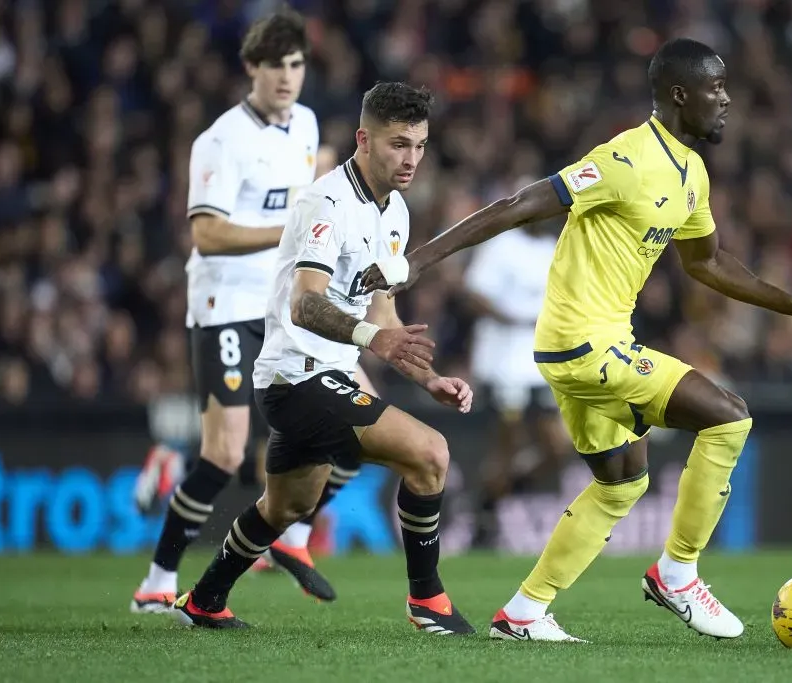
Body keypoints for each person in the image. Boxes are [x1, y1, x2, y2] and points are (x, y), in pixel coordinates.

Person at [361, 38, 792, 642]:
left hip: (581, 349)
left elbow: (708, 264)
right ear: (680, 93)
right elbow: (519, 205)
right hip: (585, 345)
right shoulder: (626, 157)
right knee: (729, 419)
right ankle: (677, 573)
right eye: (715, 88)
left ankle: (522, 614)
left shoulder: (691, 172)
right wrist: (415, 263)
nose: (726, 99)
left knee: (624, 481)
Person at [172, 81, 476, 636]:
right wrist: (371, 340)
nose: (411, 158)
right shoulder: (325, 202)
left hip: (325, 375)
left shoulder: (396, 213)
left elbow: (383, 317)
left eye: (420, 145)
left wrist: (429, 377)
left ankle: (206, 599)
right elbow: (305, 302)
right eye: (398, 144)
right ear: (364, 138)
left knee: (284, 507)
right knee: (430, 454)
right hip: (296, 376)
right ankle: (426, 600)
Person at [130, 7, 340, 613]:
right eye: (275, 65)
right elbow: (208, 234)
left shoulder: (305, 124)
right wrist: (288, 229)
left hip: (280, 305)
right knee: (225, 453)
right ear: (251, 67)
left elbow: (306, 178)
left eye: (296, 64)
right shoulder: (220, 140)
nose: (287, 76)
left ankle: (287, 536)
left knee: (325, 426)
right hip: (223, 301)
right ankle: (157, 582)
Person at [462, 218, 572, 548]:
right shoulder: (501, 246)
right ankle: (485, 519)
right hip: (503, 363)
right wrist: (511, 317)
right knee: (507, 445)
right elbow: (473, 294)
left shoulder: (552, 248)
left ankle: (498, 495)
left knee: (558, 446)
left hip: (541, 362)